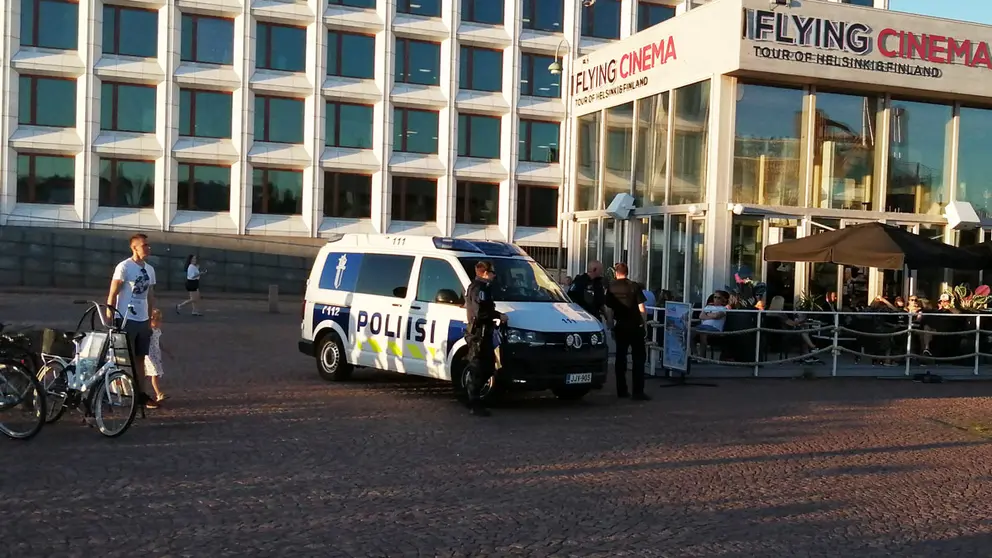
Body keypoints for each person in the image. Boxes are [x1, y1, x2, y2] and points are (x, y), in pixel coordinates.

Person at [107, 233, 159, 409]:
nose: (148, 248)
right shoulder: (124, 267)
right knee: (121, 357)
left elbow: (150, 296)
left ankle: (140, 394)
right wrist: (110, 315)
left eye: (148, 245)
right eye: (144, 245)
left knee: (140, 358)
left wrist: (150, 317)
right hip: (125, 318)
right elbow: (113, 293)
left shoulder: (150, 270)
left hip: (142, 319)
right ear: (134, 247)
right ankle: (115, 391)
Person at [463, 261, 508, 417]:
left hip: (484, 333)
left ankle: (473, 401)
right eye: (491, 272)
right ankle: (473, 403)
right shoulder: (478, 289)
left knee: (488, 368)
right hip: (478, 334)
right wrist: (498, 315)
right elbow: (479, 313)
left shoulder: (484, 288)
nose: (494, 275)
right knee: (478, 369)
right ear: (483, 272)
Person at [606, 263, 650, 401]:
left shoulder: (611, 287)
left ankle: (622, 389)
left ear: (616, 273)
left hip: (620, 326)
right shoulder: (634, 286)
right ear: (627, 272)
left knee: (621, 358)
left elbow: (609, 309)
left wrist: (610, 324)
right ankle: (638, 391)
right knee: (639, 359)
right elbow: (641, 308)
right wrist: (645, 324)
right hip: (635, 326)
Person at [144, 308, 170, 403]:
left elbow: (158, 343)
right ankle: (158, 393)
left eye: (160, 320)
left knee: (151, 374)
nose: (159, 322)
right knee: (154, 374)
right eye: (157, 320)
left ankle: (142, 390)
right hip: (149, 355)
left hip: (156, 354)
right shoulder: (148, 331)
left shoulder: (157, 331)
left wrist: (167, 351)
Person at [695, 290, 729, 357]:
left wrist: (707, 314)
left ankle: (701, 357)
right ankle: (695, 354)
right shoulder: (708, 306)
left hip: (714, 329)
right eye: (715, 297)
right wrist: (711, 315)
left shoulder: (723, 308)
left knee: (703, 333)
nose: (716, 299)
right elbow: (701, 316)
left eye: (718, 298)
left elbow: (717, 316)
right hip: (702, 326)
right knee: (689, 332)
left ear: (722, 299)